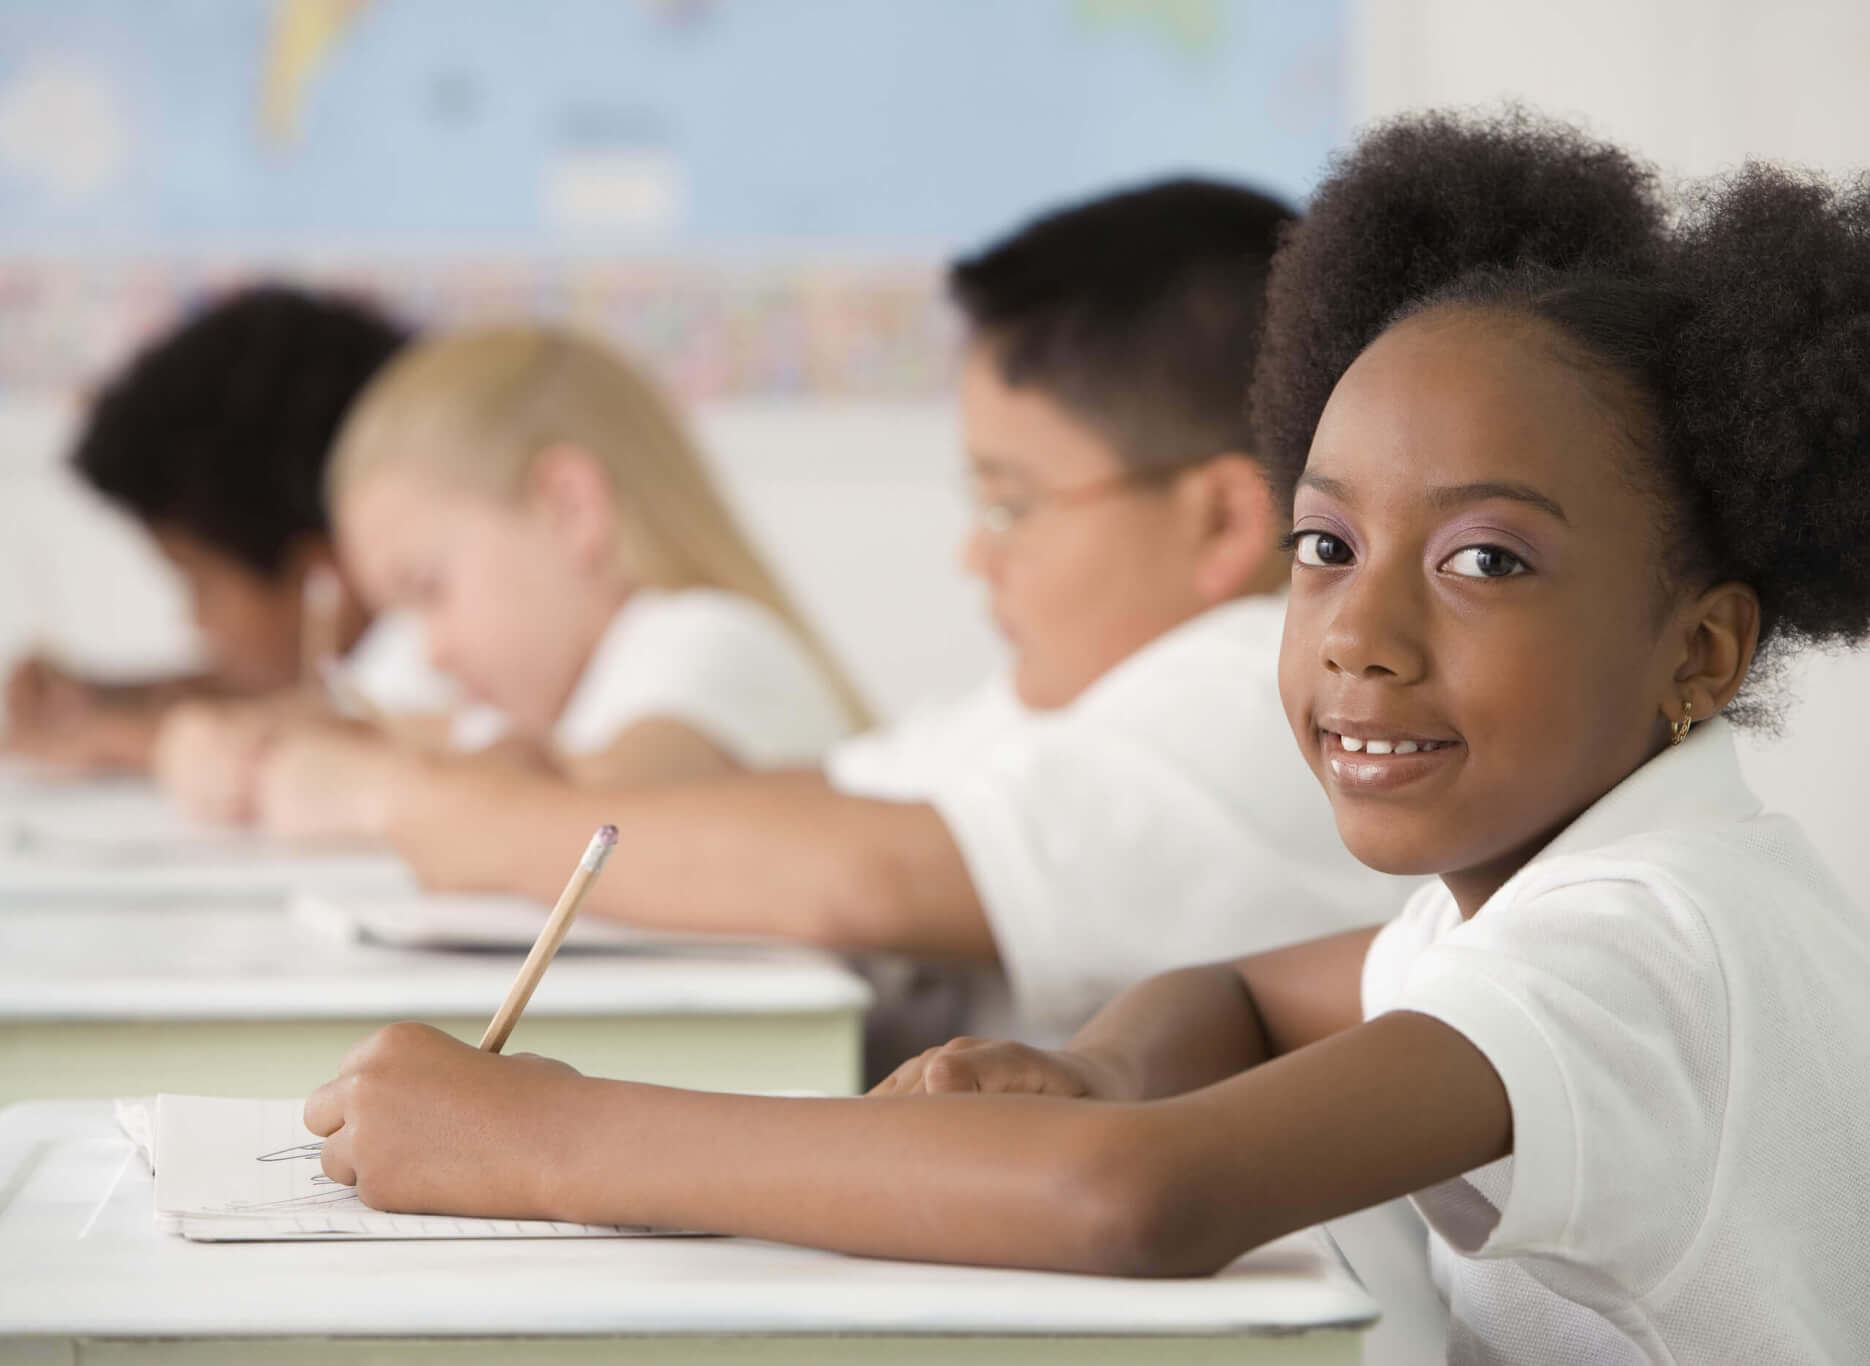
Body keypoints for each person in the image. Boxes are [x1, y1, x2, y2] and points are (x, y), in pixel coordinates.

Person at [307, 111, 1870, 1364]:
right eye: (1325, 546)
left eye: (1485, 561)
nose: (1358, 632)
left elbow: (1133, 1205)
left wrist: (542, 1139)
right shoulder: (1552, 882)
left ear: (1699, 646)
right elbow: (1229, 996)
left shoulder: (1650, 943)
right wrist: (1107, 1060)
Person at [260, 179, 1417, 1052]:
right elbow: (823, 802)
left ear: (1219, 524)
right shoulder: (1063, 707)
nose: (974, 553)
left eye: (1010, 503)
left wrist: (426, 807)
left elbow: (856, 874)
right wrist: (522, 796)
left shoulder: (1261, 692)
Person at [214, 326, 866, 833]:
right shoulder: (574, 687)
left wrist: (367, 791)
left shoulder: (712, 642)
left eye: (431, 589)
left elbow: (568, 821)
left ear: (570, 508)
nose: (431, 650)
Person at [2, 286, 413, 776]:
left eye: (198, 580)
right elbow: (305, 695)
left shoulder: (450, 678)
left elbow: (374, 740)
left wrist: (122, 740)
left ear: (321, 577)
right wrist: (116, 698)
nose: (195, 621)